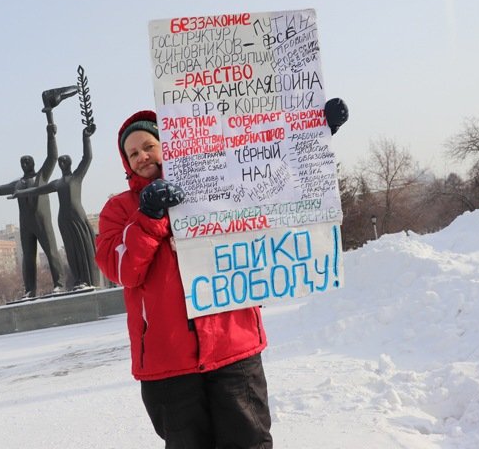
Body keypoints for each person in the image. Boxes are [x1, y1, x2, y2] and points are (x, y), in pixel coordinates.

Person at [95, 101, 347, 448]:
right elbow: (120, 269)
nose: (142, 156)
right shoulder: (119, 209)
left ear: (167, 143)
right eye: (133, 152)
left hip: (233, 345)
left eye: (149, 146)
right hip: (167, 363)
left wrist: (315, 133)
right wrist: (149, 216)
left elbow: (271, 174)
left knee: (250, 442)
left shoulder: (220, 179)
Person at [0, 124, 65, 297]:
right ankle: (30, 290)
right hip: (26, 224)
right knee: (28, 257)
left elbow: (52, 157)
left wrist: (51, 136)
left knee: (51, 252)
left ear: (33, 163)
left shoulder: (41, 177)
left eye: (27, 161)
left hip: (42, 221)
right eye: (22, 162)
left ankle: (60, 284)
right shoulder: (17, 184)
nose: (25, 163)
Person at [10, 125, 99, 289]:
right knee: (71, 251)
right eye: (60, 162)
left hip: (77, 216)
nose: (62, 163)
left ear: (70, 162)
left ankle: (89, 280)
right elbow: (38, 189)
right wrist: (19, 193)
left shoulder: (76, 177)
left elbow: (87, 158)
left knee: (82, 247)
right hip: (63, 219)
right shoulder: (56, 183)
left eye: (64, 160)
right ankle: (79, 280)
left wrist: (86, 138)